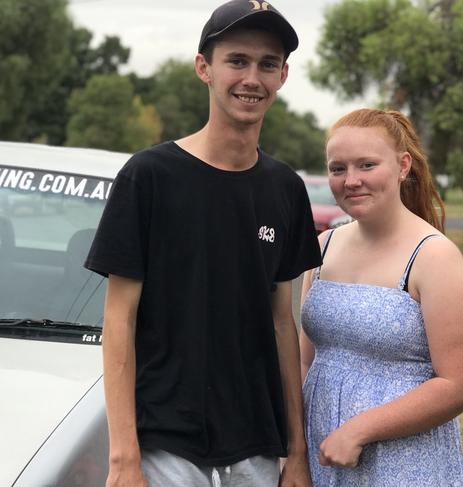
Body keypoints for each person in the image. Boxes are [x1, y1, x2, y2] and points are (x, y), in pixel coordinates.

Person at [85, 1, 321, 486]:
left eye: (267, 64)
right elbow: (118, 320)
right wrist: (124, 456)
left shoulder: (285, 189)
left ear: (282, 76)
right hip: (164, 446)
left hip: (256, 447)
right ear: (204, 68)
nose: (252, 78)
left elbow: (282, 324)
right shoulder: (148, 177)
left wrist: (296, 452)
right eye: (237, 60)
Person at [300, 109, 463, 486]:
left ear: (403, 166)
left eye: (367, 165)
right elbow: (305, 362)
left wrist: (358, 430)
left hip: (402, 462)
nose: (351, 181)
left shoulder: (434, 256)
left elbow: (462, 384)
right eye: (338, 169)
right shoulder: (322, 246)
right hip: (321, 452)